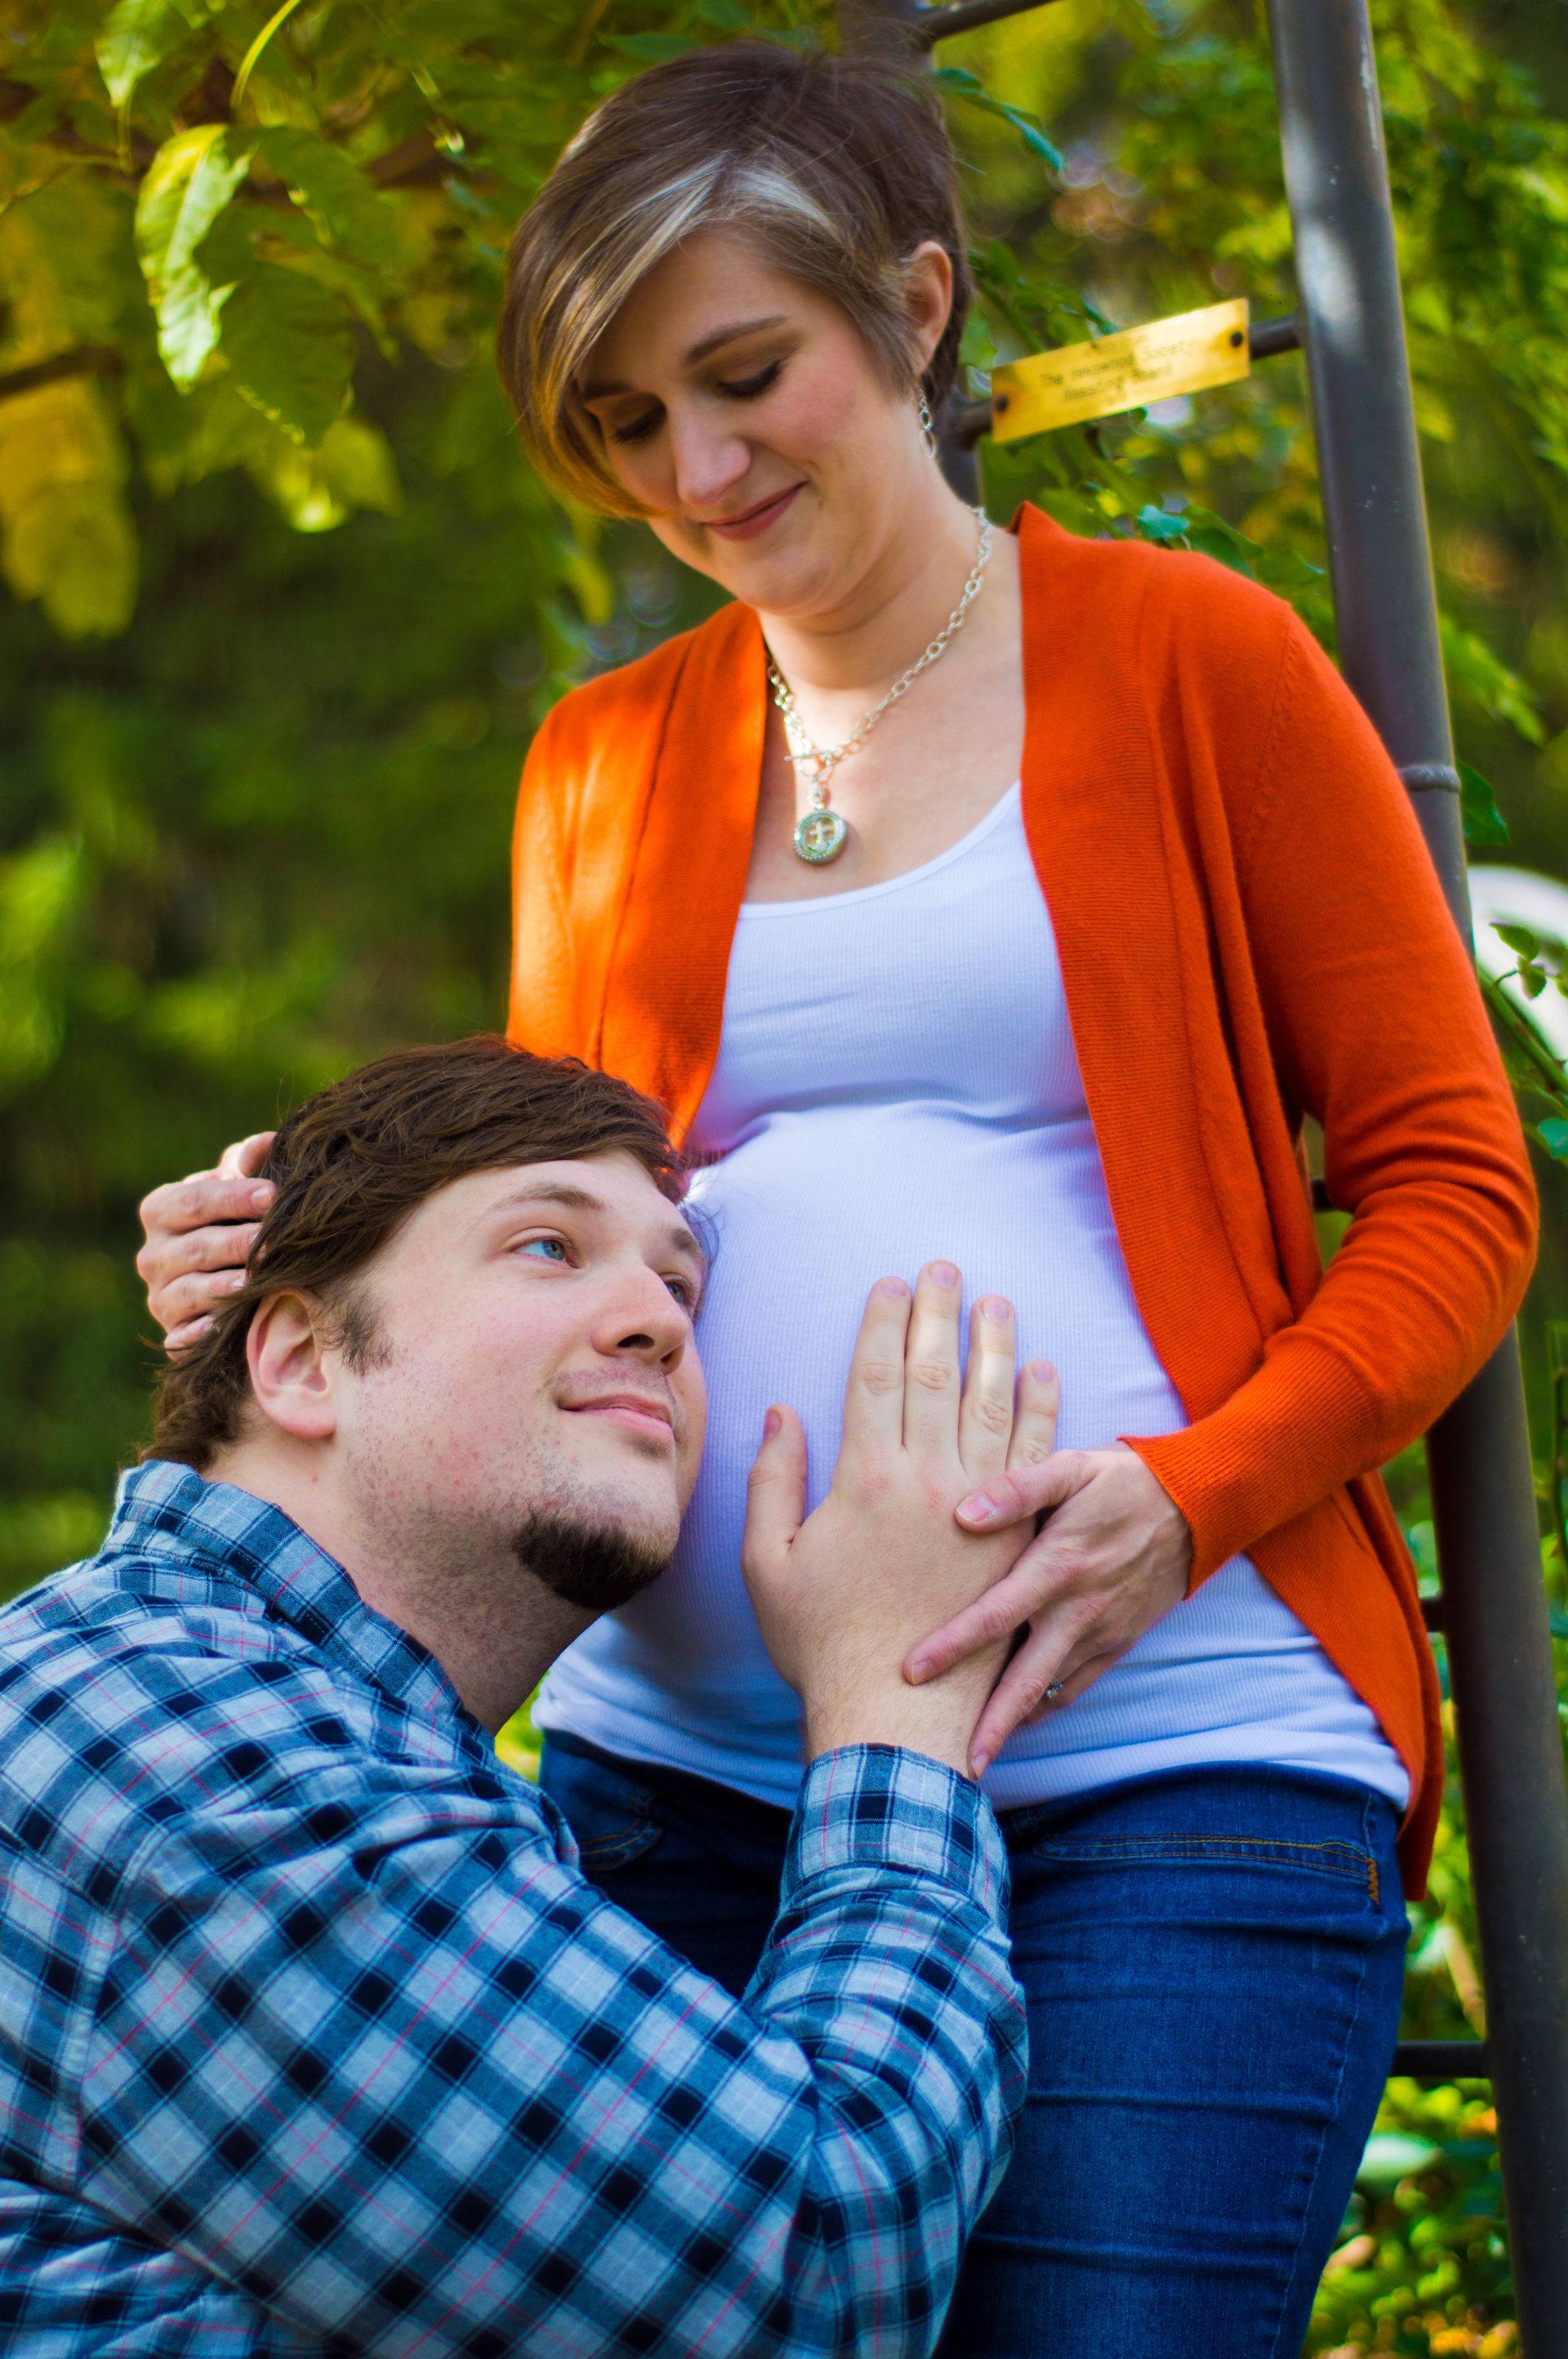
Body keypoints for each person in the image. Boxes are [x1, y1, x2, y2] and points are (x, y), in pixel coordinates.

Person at [136, 41, 1538, 2357]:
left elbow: (1454, 1181)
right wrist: (288, 1255)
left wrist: (1190, 1502)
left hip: (1164, 1764)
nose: (691, 471)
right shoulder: (595, 766)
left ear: (914, 303)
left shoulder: (1200, 663)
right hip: (684, 1792)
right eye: (617, 424)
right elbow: (552, 1223)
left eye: (742, 375)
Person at [4, 1034, 1051, 2357]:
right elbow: (814, 2282)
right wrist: (897, 1707)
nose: (663, 1321)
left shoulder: (216, 1701)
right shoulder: (218, 1782)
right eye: (547, 1246)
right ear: (300, 1362)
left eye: (680, 1283)